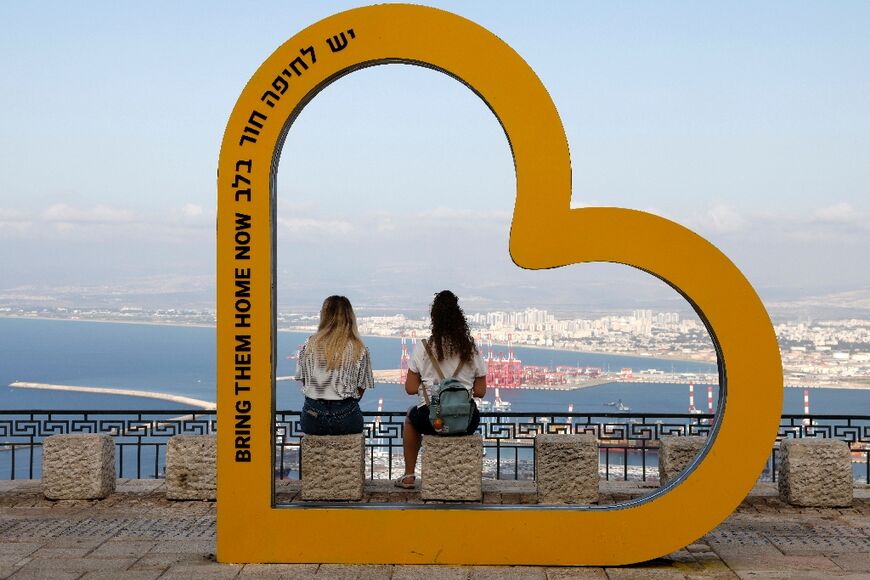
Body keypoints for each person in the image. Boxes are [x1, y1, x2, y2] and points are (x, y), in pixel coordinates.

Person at [396, 290, 487, 488]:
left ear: (434, 319)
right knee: (466, 420)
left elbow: (410, 389)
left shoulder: (424, 348)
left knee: (411, 418)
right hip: (465, 421)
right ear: (459, 318)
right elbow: (480, 391)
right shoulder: (470, 349)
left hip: (432, 420)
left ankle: (409, 475)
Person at [295, 295, 374, 435]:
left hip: (313, 415)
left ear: (324, 316)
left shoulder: (310, 344)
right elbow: (361, 388)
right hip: (346, 415)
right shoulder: (359, 348)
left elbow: (304, 380)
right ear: (350, 318)